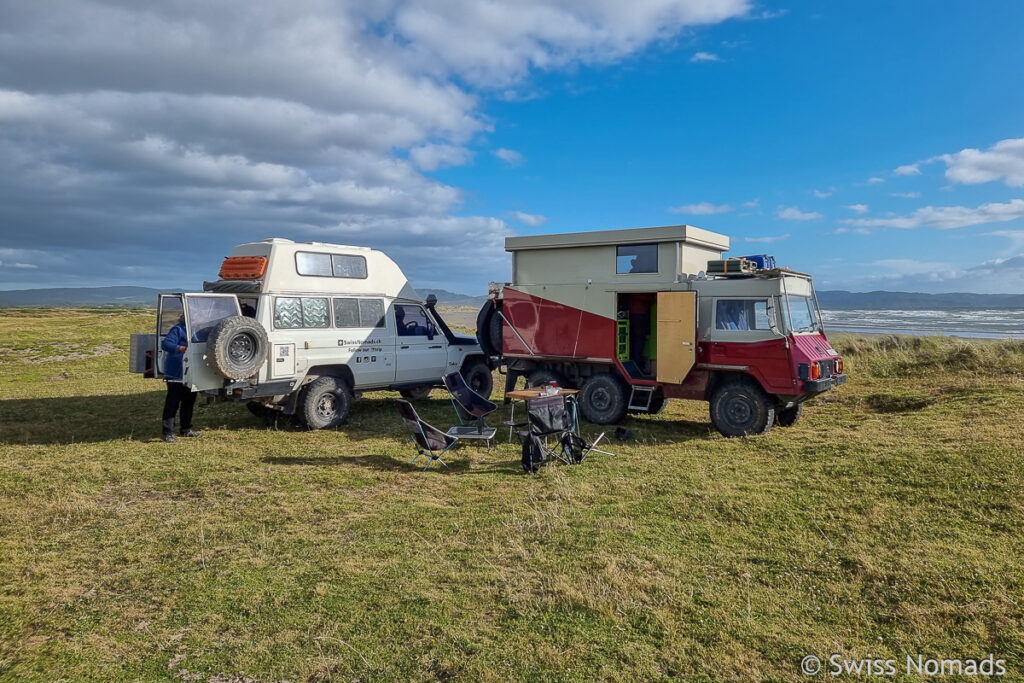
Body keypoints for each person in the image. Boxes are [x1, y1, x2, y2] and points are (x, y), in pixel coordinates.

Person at [161, 314, 202, 442]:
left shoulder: (196, 332)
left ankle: (186, 429)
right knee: (173, 403)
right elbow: (166, 344)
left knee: (189, 401)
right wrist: (181, 348)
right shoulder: (178, 329)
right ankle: (167, 433)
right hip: (176, 372)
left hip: (190, 372)